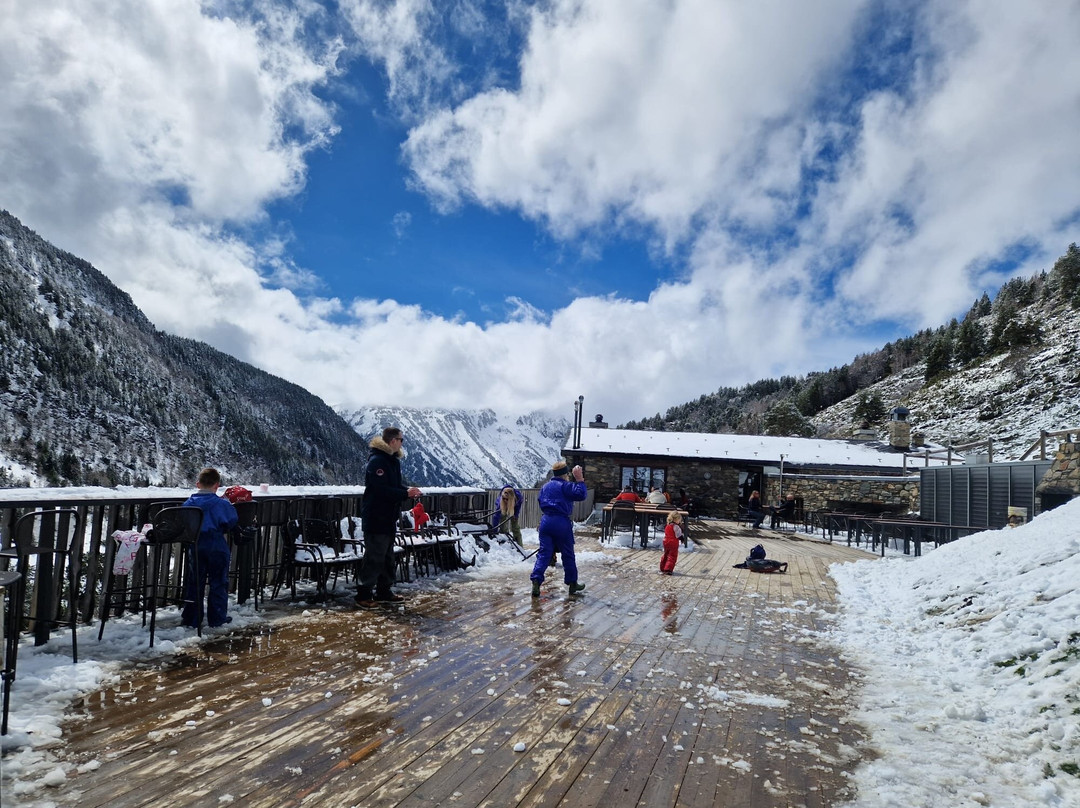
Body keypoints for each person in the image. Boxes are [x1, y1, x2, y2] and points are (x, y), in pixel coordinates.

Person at [356, 427, 422, 609]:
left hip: (388, 516)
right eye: (401, 440)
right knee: (374, 557)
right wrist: (405, 494)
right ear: (393, 441)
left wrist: (406, 491)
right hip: (376, 516)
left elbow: (392, 485)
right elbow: (380, 490)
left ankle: (384, 591)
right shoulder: (377, 461)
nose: (402, 443)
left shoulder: (391, 461)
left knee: (387, 557)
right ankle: (363, 594)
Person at [181, 467, 238, 629]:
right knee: (219, 582)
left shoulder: (188, 504)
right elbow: (231, 521)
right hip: (216, 545)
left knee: (195, 582)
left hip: (196, 545)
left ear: (198, 484)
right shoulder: (221, 504)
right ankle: (217, 618)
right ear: (217, 485)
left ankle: (192, 618)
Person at [531, 461, 588, 598]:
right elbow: (581, 495)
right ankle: (572, 583)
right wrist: (579, 479)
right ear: (565, 474)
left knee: (544, 553)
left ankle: (536, 580)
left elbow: (540, 501)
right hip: (561, 521)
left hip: (546, 521)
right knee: (567, 554)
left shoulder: (545, 487)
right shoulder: (565, 486)